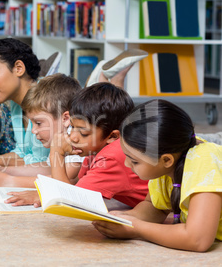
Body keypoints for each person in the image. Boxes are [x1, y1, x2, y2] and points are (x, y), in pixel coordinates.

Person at [92, 99, 222, 252]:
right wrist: (122, 217)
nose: (127, 164)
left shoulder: (204, 160)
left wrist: (136, 228)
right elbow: (154, 208)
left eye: (134, 161)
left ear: (166, 159)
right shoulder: (167, 164)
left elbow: (197, 239)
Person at [6, 82, 149, 208]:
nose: (73, 137)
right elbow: (74, 187)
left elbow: (70, 202)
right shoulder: (92, 153)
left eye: (84, 133)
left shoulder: (113, 156)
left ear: (112, 136)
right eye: (72, 127)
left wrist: (56, 152)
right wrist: (43, 194)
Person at [0, 73, 83, 187]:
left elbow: (61, 181)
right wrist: (4, 170)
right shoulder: (60, 139)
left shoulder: (75, 140)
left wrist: (9, 181)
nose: (33, 131)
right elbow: (47, 168)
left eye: (39, 123)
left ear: (65, 118)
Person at [0, 38, 50, 167]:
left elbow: (41, 161)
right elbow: (21, 153)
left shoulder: (47, 98)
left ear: (18, 68)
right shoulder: (16, 104)